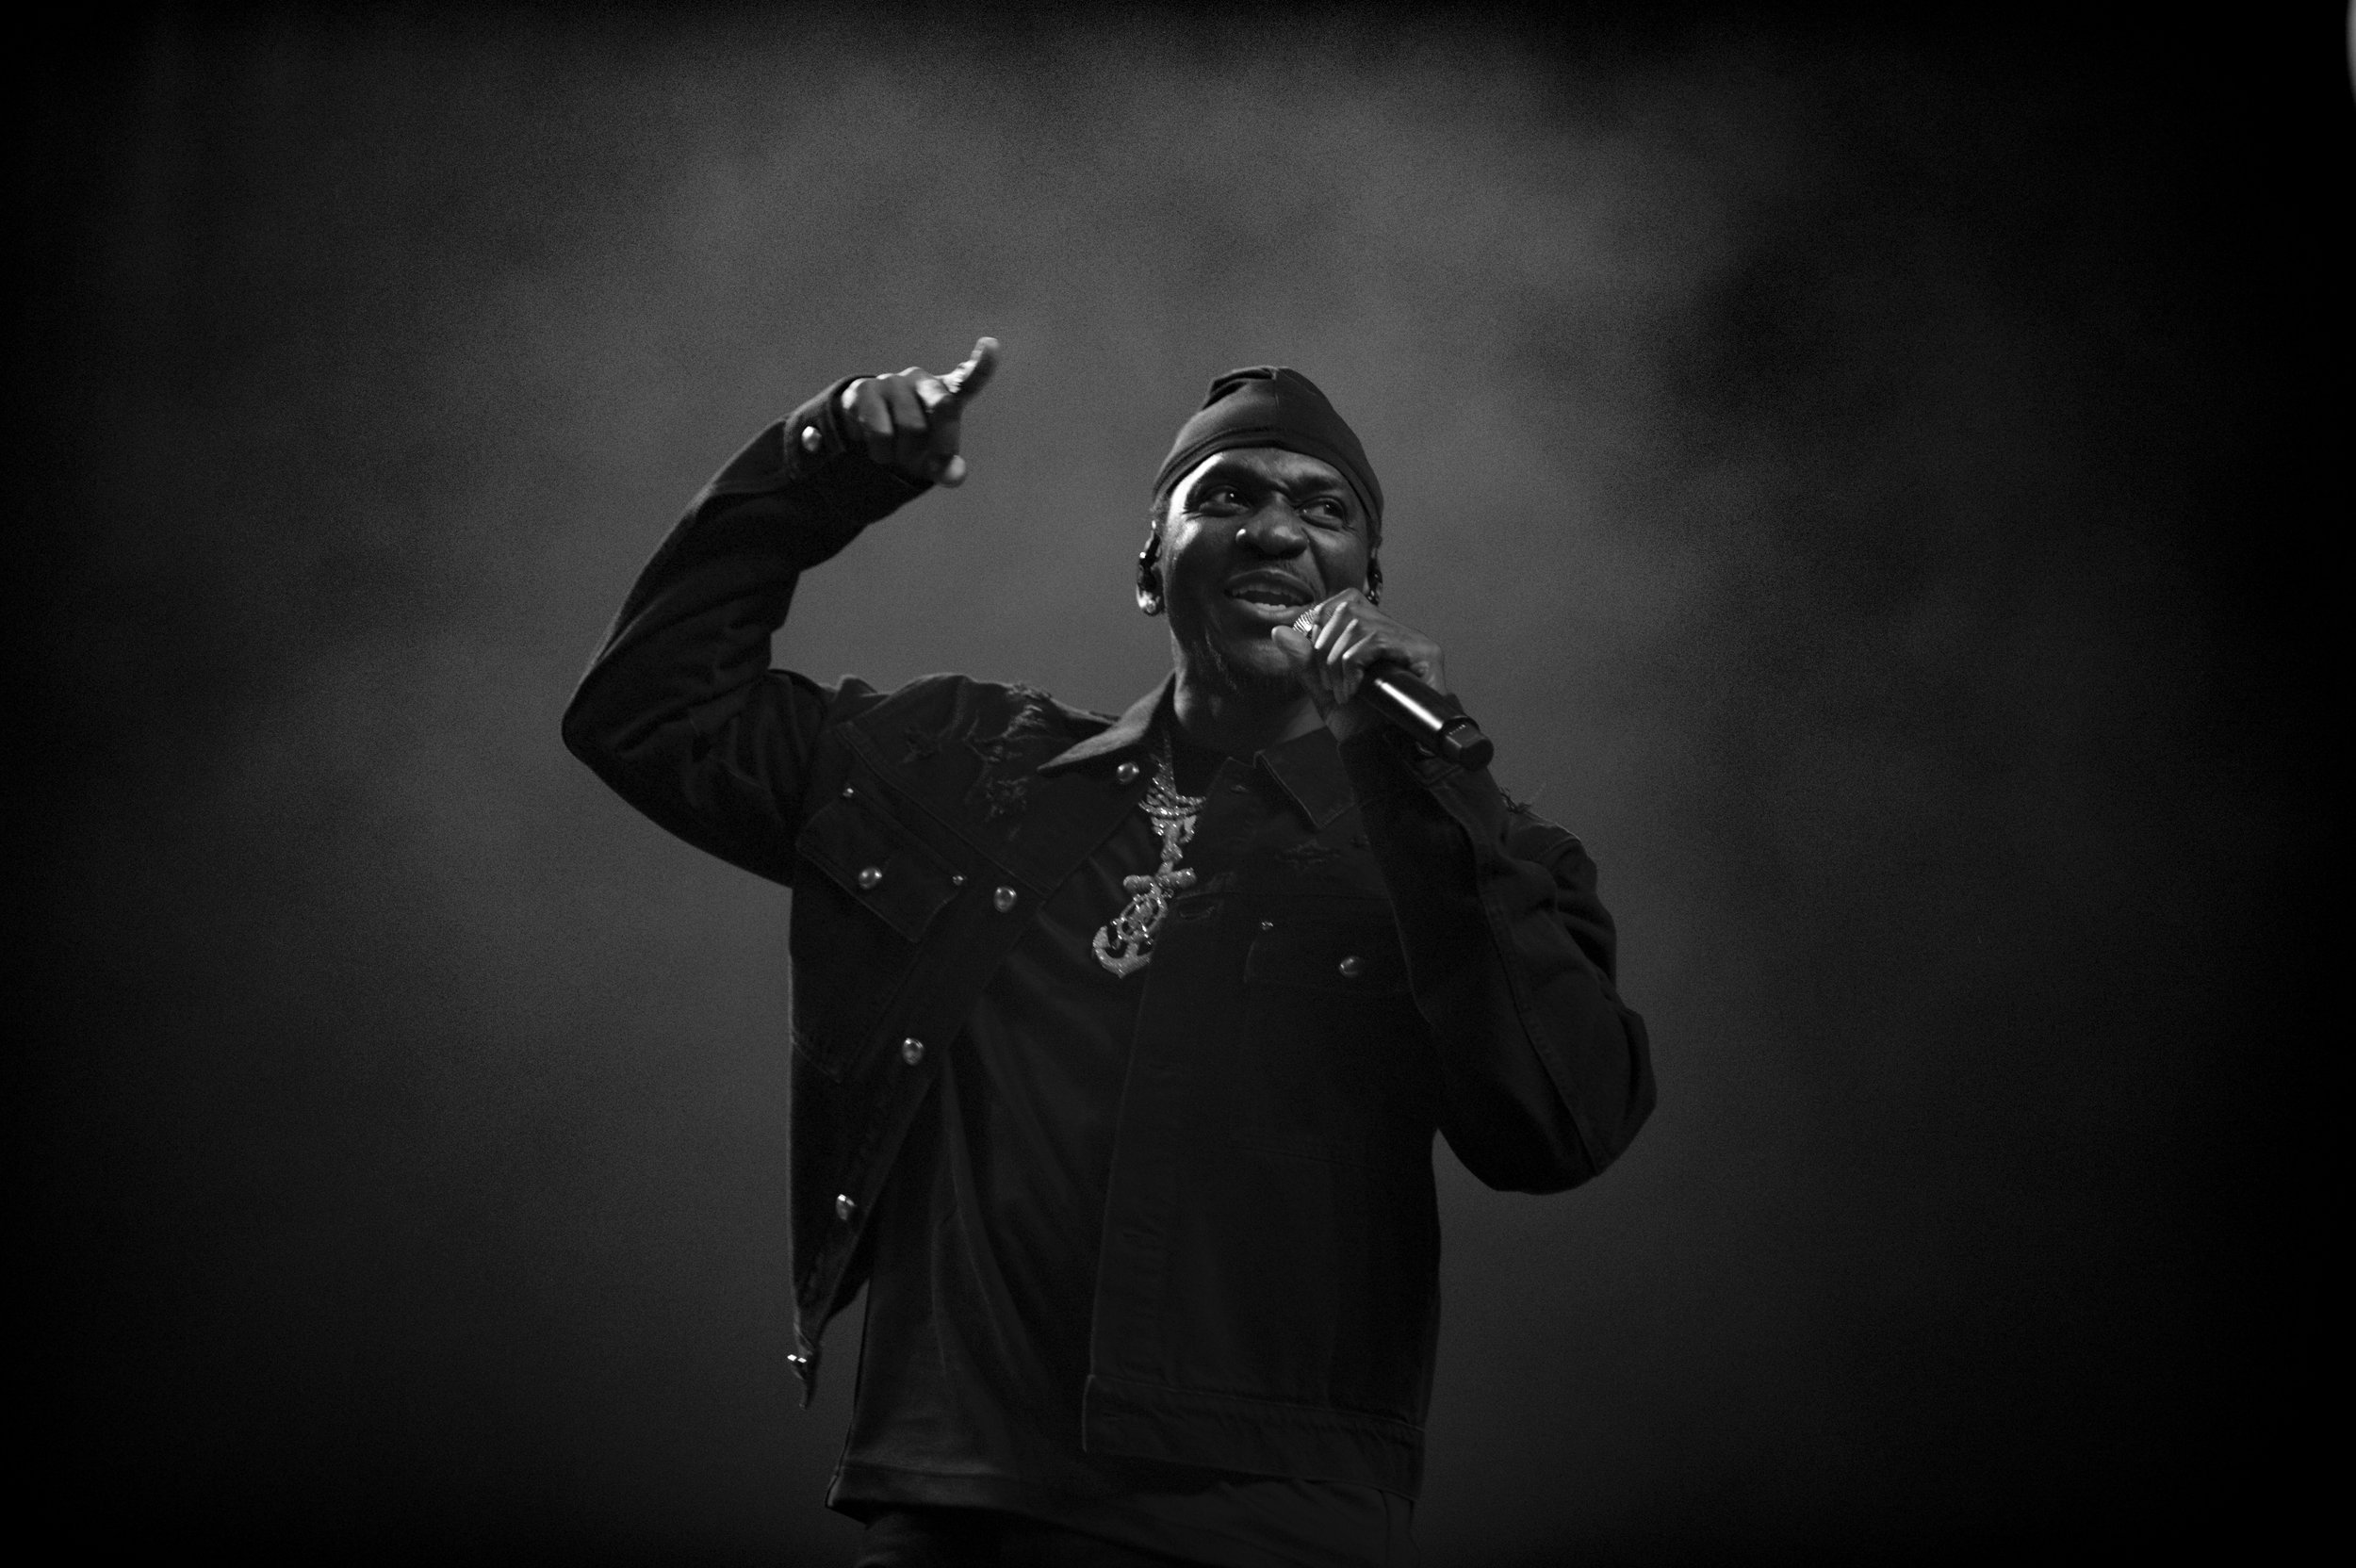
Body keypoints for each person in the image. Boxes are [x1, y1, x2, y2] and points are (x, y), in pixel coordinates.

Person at [562, 337, 1655, 1567]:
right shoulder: (961, 769)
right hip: (954, 1504)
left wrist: (1421, 787)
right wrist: (822, 463)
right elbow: (651, 711)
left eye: (1322, 507)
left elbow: (1562, 1125)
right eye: (1226, 495)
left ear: (1367, 577)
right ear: (1153, 567)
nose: (1276, 530)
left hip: (1269, 1526)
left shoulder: (1463, 842)